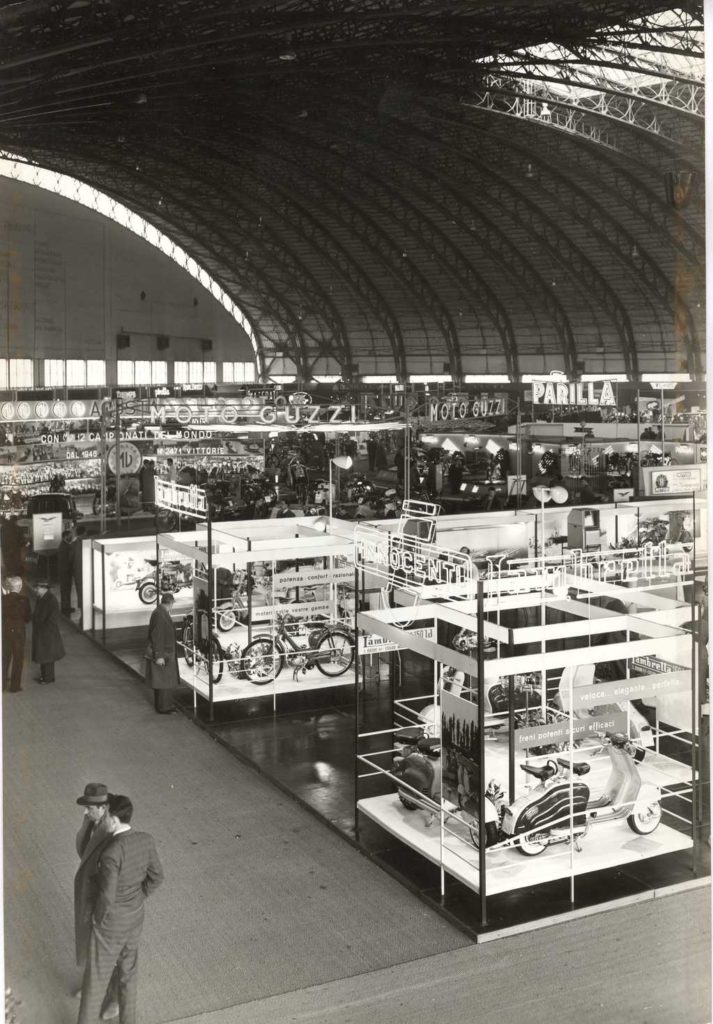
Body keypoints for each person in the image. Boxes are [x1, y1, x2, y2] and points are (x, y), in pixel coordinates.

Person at [77, 794, 164, 1024]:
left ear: (114, 819)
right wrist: (137, 898)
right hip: (135, 918)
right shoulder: (146, 840)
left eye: (106, 816)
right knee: (128, 973)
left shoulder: (111, 852)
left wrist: (98, 919)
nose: (103, 819)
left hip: (110, 924)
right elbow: (157, 877)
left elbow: (107, 895)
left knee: (95, 980)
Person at [73, 783, 119, 1020]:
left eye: (89, 808)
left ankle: (115, 998)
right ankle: (93, 987)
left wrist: (101, 906)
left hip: (101, 897)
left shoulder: (111, 830)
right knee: (91, 943)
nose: (85, 812)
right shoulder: (92, 823)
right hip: (87, 892)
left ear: (103, 808)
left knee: (106, 950)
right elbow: (83, 848)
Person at [144, 592, 180, 713]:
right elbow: (157, 636)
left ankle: (165, 705)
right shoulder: (160, 615)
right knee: (164, 681)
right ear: (170, 603)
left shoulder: (160, 612)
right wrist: (159, 655)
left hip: (165, 653)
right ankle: (163, 707)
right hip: (164, 654)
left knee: (164, 681)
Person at [32, 580, 65, 683]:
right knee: (44, 655)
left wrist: (43, 628)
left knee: (47, 656)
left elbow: (53, 618)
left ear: (44, 588)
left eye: (37, 588)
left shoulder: (51, 600)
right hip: (42, 632)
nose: (35, 589)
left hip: (47, 633)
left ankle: (48, 678)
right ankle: (46, 676)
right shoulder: (42, 598)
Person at [2, 576, 31, 692]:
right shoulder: (24, 600)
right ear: (19, 587)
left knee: (4, 658)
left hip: (6, 630)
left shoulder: (3, 599)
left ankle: (2, 684)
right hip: (19, 632)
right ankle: (15, 686)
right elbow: (28, 618)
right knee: (18, 659)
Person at [58, 528, 76, 615]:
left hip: (64, 571)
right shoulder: (65, 546)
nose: (71, 537)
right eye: (70, 536)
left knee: (66, 590)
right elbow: (68, 559)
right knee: (65, 589)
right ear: (65, 536)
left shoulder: (63, 545)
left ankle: (66, 607)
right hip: (65, 572)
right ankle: (65, 608)